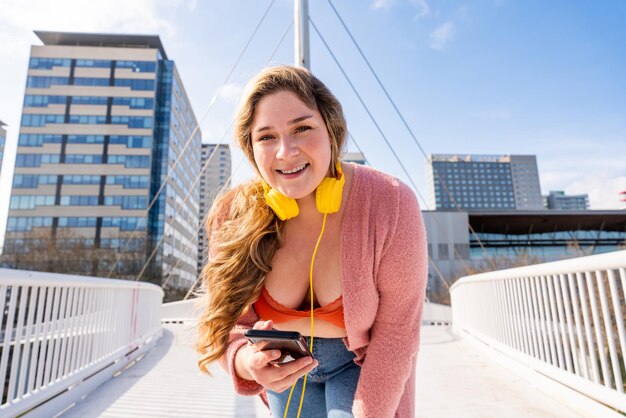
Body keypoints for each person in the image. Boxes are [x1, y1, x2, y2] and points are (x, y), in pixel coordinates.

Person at [196, 65, 428, 417]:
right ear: (250, 148)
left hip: (361, 366)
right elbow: (232, 326)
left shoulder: (390, 202)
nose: (286, 151)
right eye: (266, 137)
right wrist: (248, 362)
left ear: (331, 131)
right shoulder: (234, 214)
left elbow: (397, 334)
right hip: (286, 371)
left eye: (302, 128)